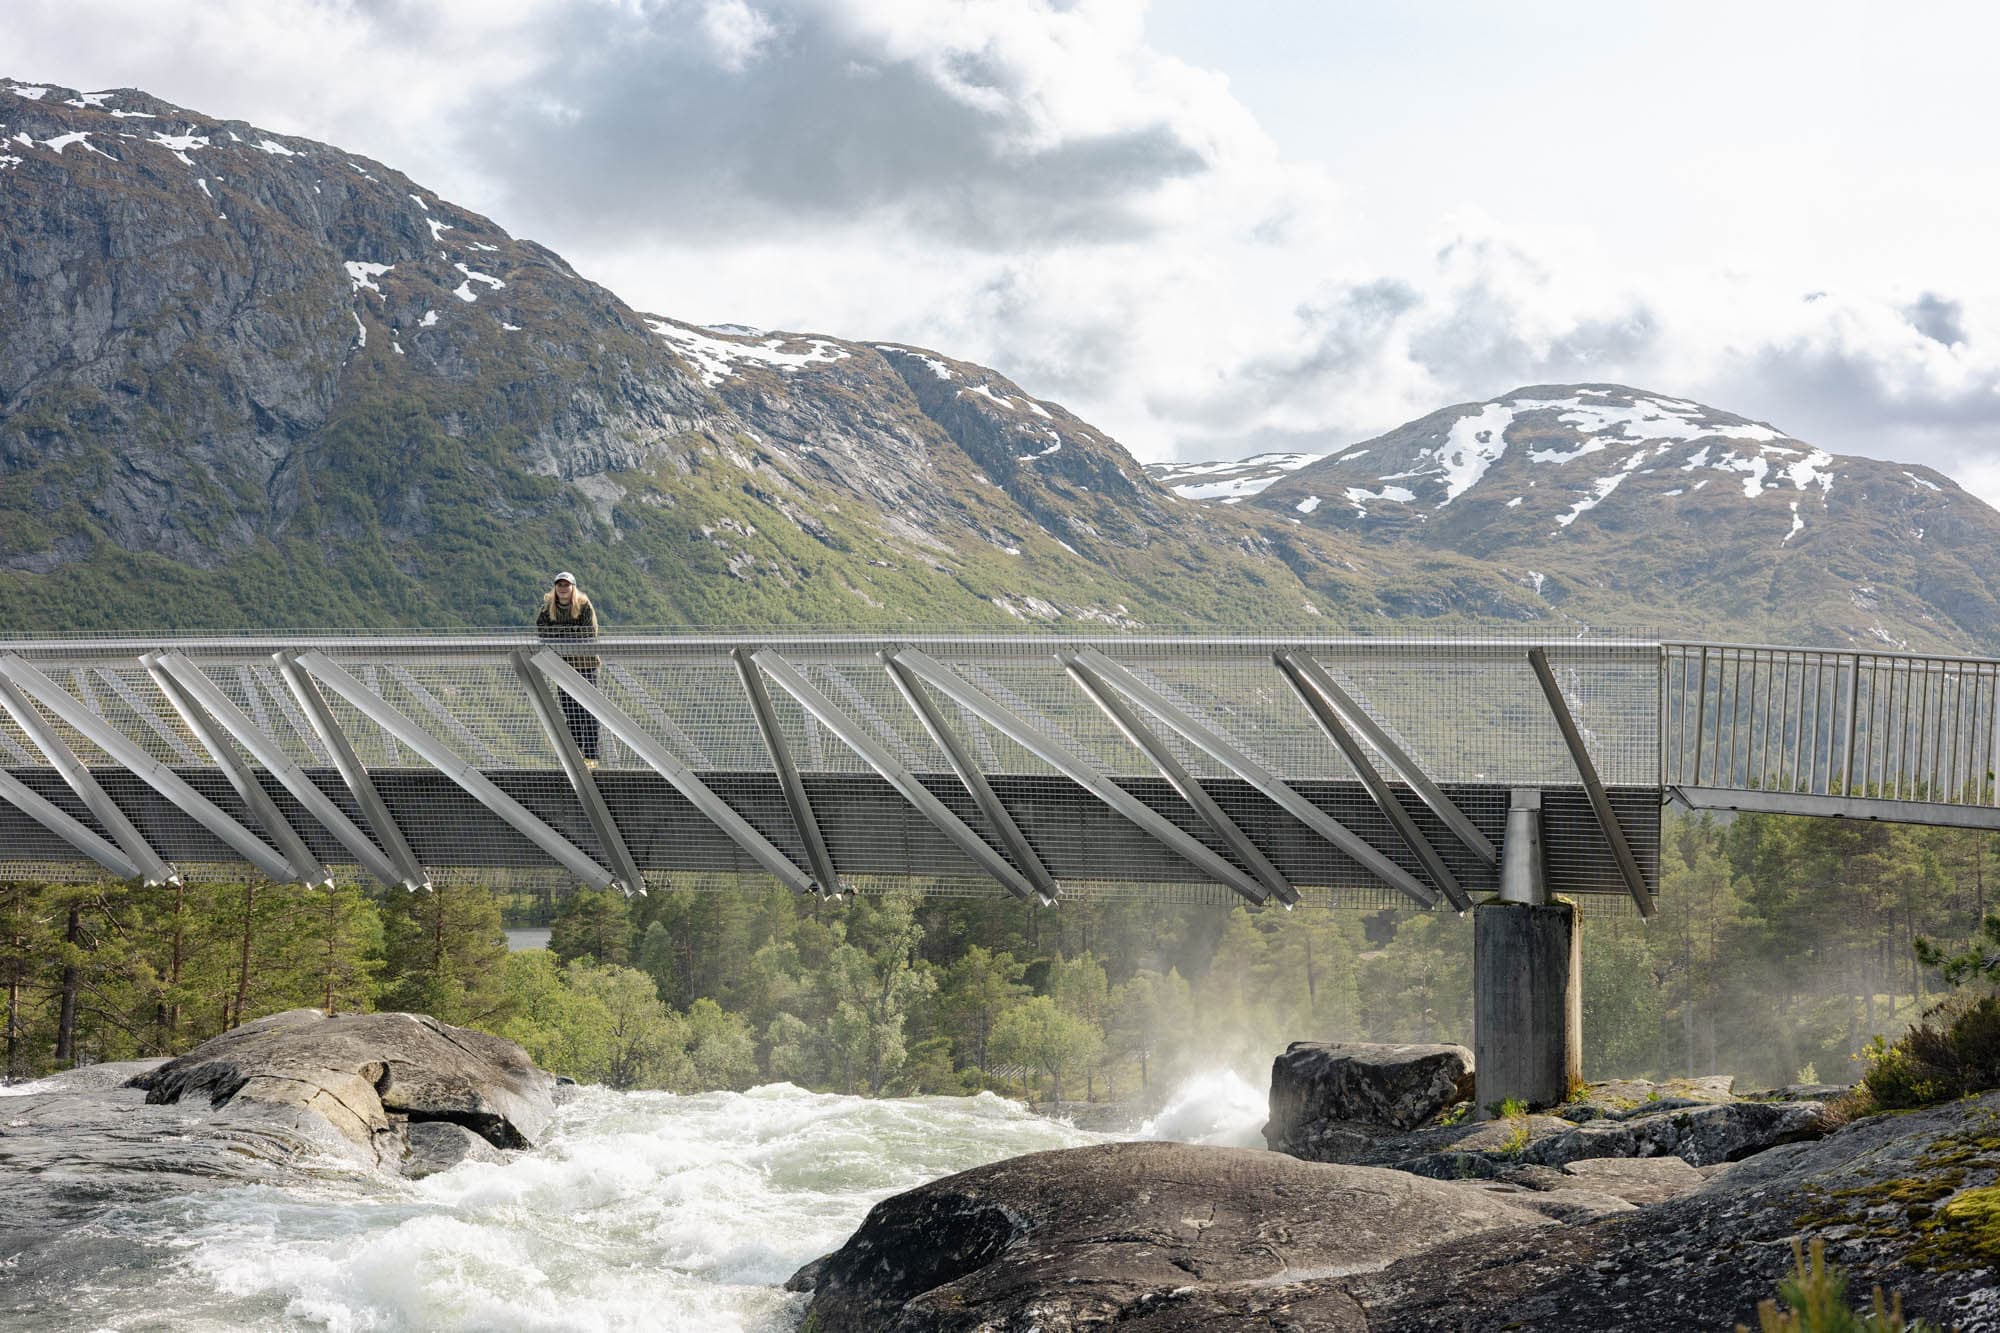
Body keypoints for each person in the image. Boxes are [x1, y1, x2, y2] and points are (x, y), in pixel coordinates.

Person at [536, 571, 602, 763]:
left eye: (566, 585)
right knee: (571, 712)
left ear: (573, 587)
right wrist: (572, 632)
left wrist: (560, 634)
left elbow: (589, 633)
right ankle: (574, 756)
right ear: (555, 588)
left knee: (589, 711)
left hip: (585, 665)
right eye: (560, 585)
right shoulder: (548, 608)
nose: (563, 588)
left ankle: (591, 756)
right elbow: (543, 633)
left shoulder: (583, 605)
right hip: (562, 666)